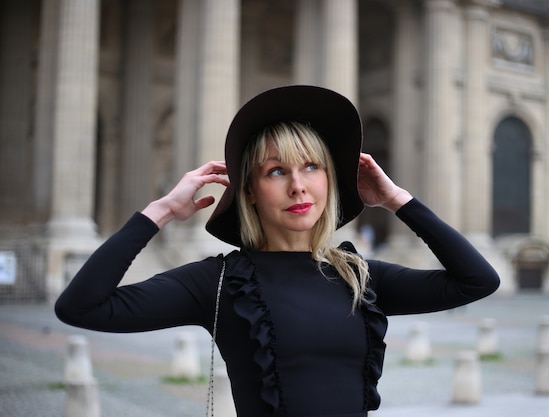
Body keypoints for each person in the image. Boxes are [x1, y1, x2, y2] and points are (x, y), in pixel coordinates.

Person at [55, 85, 500, 417]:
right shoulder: (220, 283)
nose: (298, 185)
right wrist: (160, 212)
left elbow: (477, 280)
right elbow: (82, 307)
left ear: (330, 180)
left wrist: (398, 201)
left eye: (312, 166)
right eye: (275, 171)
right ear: (248, 191)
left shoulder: (358, 277)